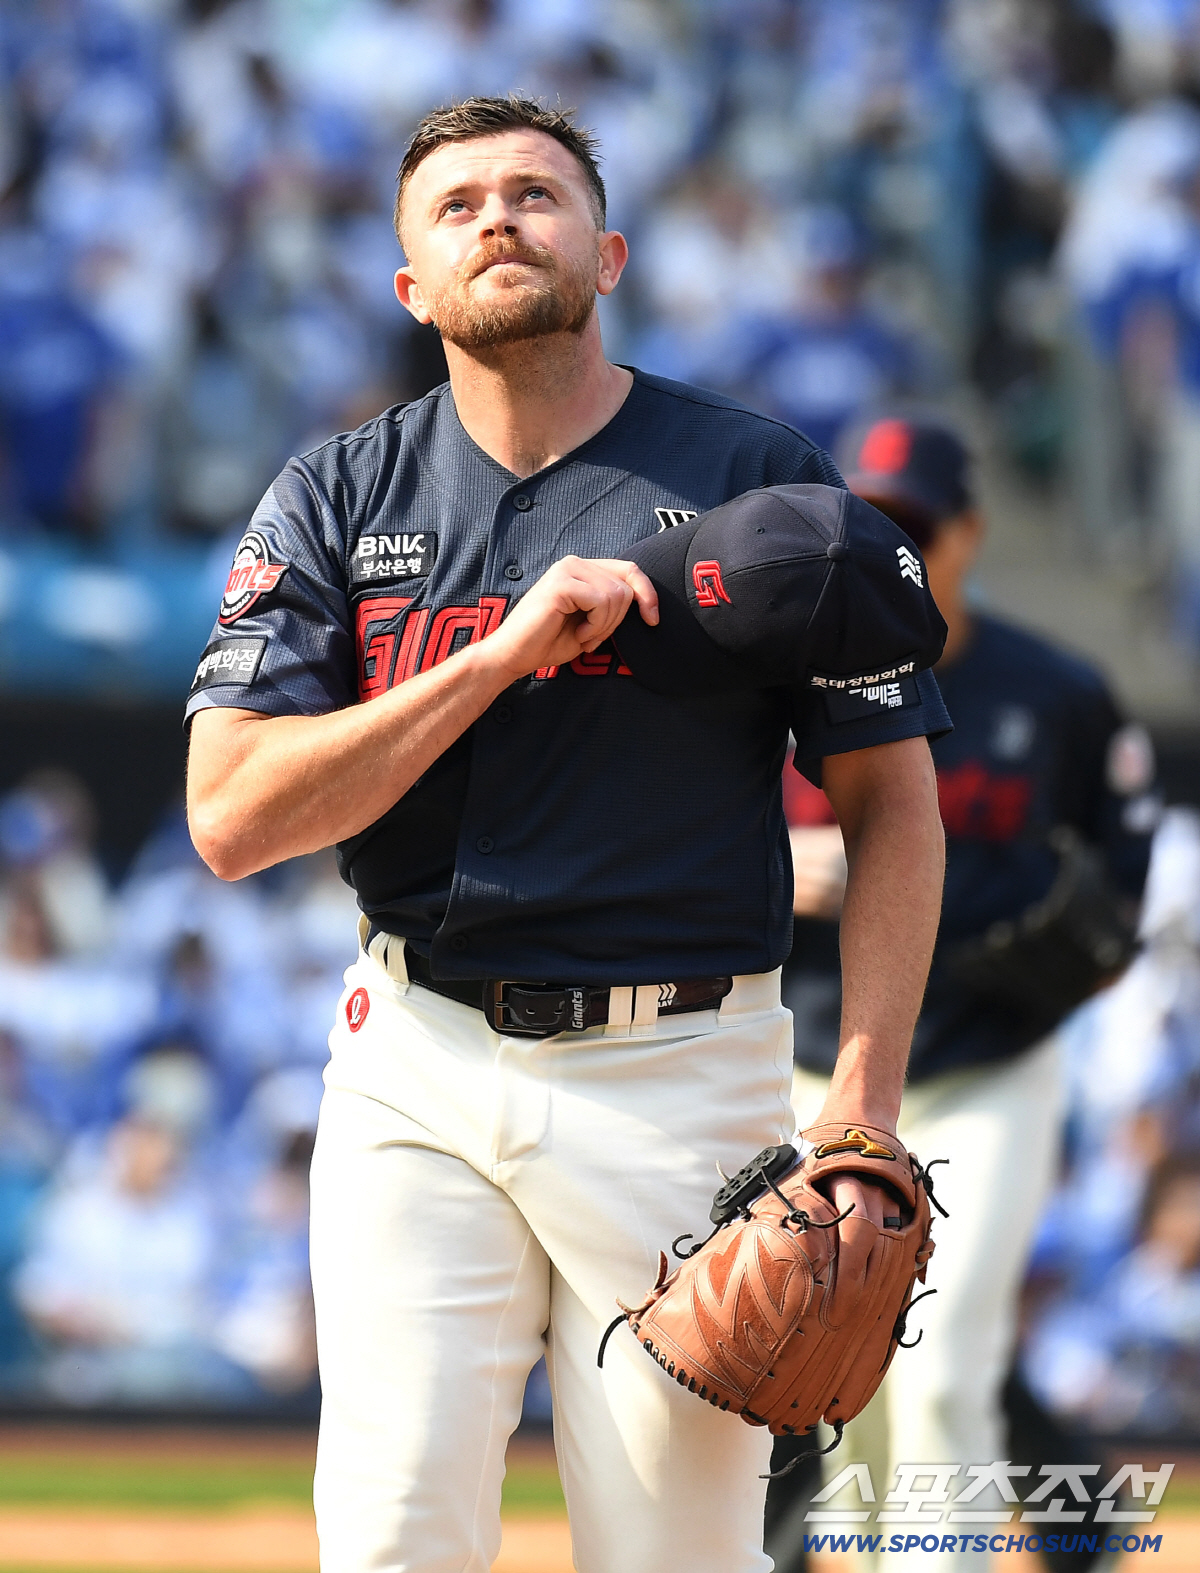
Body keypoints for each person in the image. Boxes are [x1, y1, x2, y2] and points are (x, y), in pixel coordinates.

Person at [184, 97, 949, 1573]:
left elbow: (893, 805)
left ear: (608, 254)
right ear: (411, 288)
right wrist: (495, 659)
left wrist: (860, 1114)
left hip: (684, 1074)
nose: (497, 218)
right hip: (415, 1058)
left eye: (535, 195)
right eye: (456, 205)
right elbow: (231, 817)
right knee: (391, 1538)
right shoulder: (337, 494)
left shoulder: (760, 482)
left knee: (677, 1554)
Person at [771, 415, 1156, 1573]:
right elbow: (676, 845)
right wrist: (774, 865)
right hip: (813, 1068)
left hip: (985, 1070)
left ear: (971, 534)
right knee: (838, 1391)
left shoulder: (1059, 693)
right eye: (871, 524)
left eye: (916, 527)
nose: (894, 549)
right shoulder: (776, 681)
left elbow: (1116, 897)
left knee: (942, 1370)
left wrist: (968, 913)